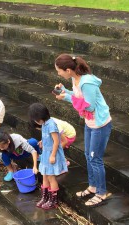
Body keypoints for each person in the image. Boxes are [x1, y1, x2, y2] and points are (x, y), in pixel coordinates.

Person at [54, 54, 112, 207]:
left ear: (68, 70)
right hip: (90, 123)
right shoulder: (75, 78)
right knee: (88, 156)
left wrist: (66, 98)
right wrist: (66, 91)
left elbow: (90, 106)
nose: (58, 74)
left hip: (100, 124)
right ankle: (93, 186)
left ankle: (101, 192)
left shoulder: (87, 82)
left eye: (59, 71)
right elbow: (78, 96)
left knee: (95, 159)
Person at [29, 103, 68, 210]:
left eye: (36, 119)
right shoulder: (44, 124)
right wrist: (43, 141)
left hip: (52, 153)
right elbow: (48, 137)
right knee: (45, 175)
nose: (35, 122)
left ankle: (53, 200)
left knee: (51, 176)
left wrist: (53, 155)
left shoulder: (51, 125)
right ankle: (45, 197)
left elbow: (56, 141)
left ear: (40, 117)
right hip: (46, 153)